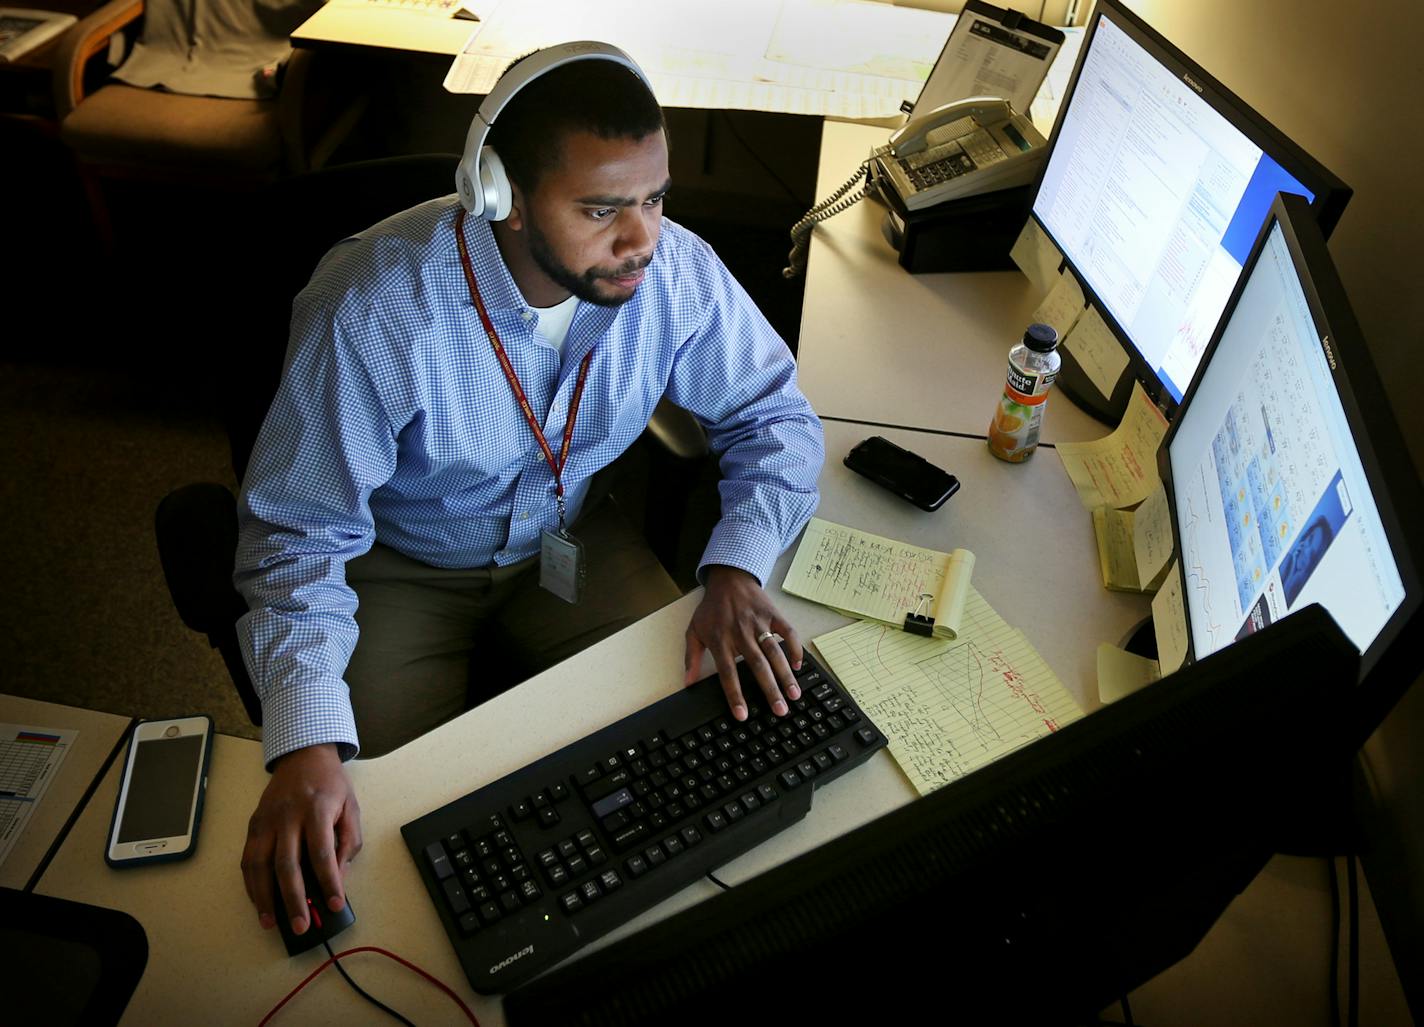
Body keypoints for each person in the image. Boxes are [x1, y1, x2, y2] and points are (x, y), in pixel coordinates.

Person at [233, 47, 824, 941]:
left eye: (655, 198)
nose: (643, 239)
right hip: (401, 564)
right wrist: (305, 743)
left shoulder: (675, 273)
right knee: (387, 832)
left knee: (689, 745)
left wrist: (737, 567)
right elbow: (298, 534)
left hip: (574, 537)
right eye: (601, 209)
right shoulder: (377, 306)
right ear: (501, 197)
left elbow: (775, 414)